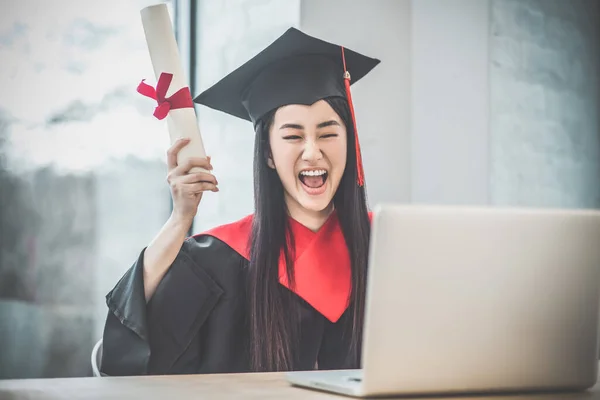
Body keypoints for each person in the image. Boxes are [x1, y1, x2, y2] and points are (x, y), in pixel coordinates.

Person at [100, 27, 380, 376]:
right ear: (268, 155)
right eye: (293, 136)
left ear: (348, 143)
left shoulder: (386, 248)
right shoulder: (217, 261)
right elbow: (128, 354)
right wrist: (179, 219)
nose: (313, 151)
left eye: (328, 133)